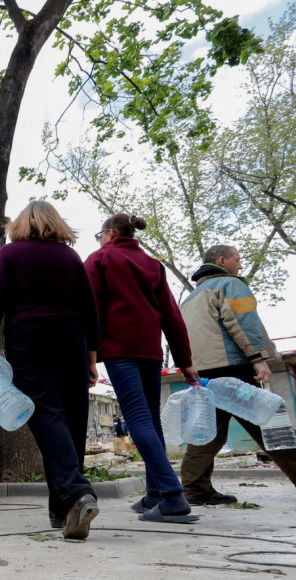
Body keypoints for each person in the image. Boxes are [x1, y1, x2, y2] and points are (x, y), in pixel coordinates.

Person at [0, 200, 100, 539]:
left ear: (21, 224)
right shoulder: (70, 256)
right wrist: (92, 354)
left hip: (29, 339)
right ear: (55, 222)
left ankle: (76, 493)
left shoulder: (10, 254)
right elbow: (89, 306)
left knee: (46, 416)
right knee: (72, 418)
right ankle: (63, 506)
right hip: (72, 337)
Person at [179, 245, 296, 503]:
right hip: (233, 366)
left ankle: (195, 490)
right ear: (222, 260)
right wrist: (257, 358)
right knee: (271, 423)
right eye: (238, 259)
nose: (240, 265)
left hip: (204, 371)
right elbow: (242, 322)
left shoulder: (191, 297)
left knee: (208, 431)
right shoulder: (230, 284)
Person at [85, 212, 199, 523]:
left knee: (137, 419)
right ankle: (155, 493)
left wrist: (89, 355)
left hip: (120, 351)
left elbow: (90, 310)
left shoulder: (100, 260)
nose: (99, 240)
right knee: (151, 421)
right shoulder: (152, 264)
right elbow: (171, 315)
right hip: (150, 351)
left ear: (109, 232)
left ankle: (173, 496)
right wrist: (185, 361)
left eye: (100, 235)